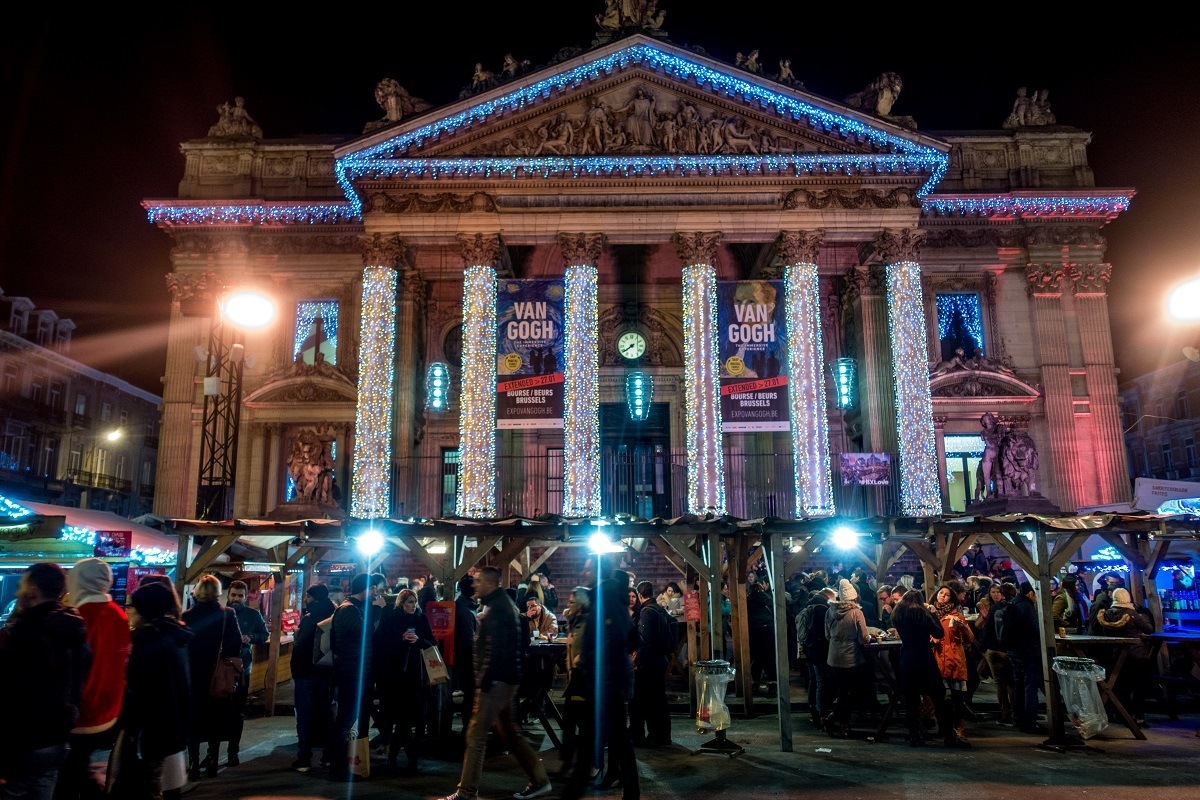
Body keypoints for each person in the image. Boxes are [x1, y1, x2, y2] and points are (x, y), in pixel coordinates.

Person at [439, 566, 551, 800]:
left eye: (478, 580)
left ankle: (467, 791)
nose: (474, 584)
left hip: (497, 681)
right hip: (503, 679)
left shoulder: (499, 608)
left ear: (490, 583)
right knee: (510, 735)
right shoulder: (497, 605)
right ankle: (540, 781)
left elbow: (496, 651)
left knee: (476, 734)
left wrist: (484, 683)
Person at [0, 563, 90, 800]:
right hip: (58, 736)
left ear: (33, 590)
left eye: (21, 585)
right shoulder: (74, 627)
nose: (17, 592)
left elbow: (15, 693)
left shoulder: (28, 632)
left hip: (25, 740)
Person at [561, 564, 639, 800]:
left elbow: (615, 640)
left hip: (607, 679)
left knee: (594, 740)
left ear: (597, 571)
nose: (583, 572)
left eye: (586, 568)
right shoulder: (609, 597)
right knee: (612, 739)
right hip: (607, 678)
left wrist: (586, 657)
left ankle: (573, 792)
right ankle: (629, 792)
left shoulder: (606, 598)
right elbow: (631, 638)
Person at [55, 558, 129, 800]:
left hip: (83, 713)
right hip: (111, 710)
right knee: (80, 768)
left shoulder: (81, 616)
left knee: (67, 777)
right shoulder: (119, 615)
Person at [118, 582, 193, 800]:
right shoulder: (176, 632)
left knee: (148, 784)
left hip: (152, 723)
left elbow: (140, 683)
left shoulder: (148, 637)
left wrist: (132, 726)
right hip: (173, 720)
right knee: (154, 780)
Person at [181, 574, 243, 779]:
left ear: (197, 591)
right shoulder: (228, 614)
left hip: (193, 675)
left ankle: (193, 765)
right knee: (215, 720)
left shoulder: (187, 616)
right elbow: (235, 644)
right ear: (218, 592)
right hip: (218, 675)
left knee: (194, 721)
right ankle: (213, 762)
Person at [374, 589, 435, 773]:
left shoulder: (421, 619)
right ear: (401, 603)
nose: (413, 605)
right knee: (400, 719)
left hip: (414, 677)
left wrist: (418, 640)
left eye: (415, 602)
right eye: (409, 602)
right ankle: (407, 760)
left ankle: (398, 758)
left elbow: (431, 642)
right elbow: (380, 644)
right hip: (393, 678)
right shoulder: (391, 618)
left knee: (406, 720)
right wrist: (400, 640)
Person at [329, 573, 375, 782]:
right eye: (373, 589)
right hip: (351, 673)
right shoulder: (348, 610)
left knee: (349, 719)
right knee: (346, 719)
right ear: (364, 589)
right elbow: (366, 631)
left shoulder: (354, 608)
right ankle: (337, 767)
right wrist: (378, 610)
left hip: (356, 671)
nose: (375, 593)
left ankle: (343, 764)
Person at [1089, 588, 1154, 725]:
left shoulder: (1106, 614)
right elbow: (1149, 629)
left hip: (1116, 655)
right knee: (1139, 686)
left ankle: (1124, 715)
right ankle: (1139, 717)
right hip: (1136, 654)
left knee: (1121, 686)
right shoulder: (1131, 613)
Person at [290, 584, 335, 772]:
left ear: (313, 598)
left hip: (306, 674)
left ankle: (304, 757)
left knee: (305, 715)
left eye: (307, 596)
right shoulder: (334, 616)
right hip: (327, 672)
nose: (305, 600)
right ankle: (328, 756)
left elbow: (301, 647)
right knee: (326, 714)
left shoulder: (309, 620)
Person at [224, 580, 267, 766]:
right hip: (220, 671)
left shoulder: (253, 614)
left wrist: (251, 637)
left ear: (245, 596)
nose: (236, 599)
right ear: (228, 595)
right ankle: (213, 751)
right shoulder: (221, 614)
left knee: (237, 712)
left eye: (240, 596)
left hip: (243, 670)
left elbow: (264, 635)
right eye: (233, 595)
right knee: (219, 712)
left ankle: (233, 751)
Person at [824, 578, 870, 738]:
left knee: (842, 690)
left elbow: (827, 635)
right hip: (851, 657)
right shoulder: (857, 612)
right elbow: (864, 637)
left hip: (833, 656)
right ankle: (841, 722)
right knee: (853, 692)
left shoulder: (829, 611)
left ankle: (837, 720)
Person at [931, 584, 976, 740]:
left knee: (956, 698)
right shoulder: (931, 614)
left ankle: (959, 727)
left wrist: (962, 626)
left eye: (947, 594)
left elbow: (970, 638)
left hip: (954, 659)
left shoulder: (956, 615)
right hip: (936, 659)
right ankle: (943, 727)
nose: (943, 596)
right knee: (939, 697)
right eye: (941, 593)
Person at [630, 582, 672, 747]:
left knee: (653, 701)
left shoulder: (647, 612)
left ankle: (657, 736)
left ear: (640, 596)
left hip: (651, 663)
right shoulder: (659, 609)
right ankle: (662, 736)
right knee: (659, 700)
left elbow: (645, 641)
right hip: (660, 660)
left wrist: (637, 660)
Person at [559, 586, 591, 776]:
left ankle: (579, 764)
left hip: (583, 678)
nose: (568, 605)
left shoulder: (586, 624)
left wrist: (581, 659)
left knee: (576, 721)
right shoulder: (575, 622)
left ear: (580, 604)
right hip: (575, 677)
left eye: (571, 602)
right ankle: (570, 762)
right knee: (571, 720)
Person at [1005, 581, 1045, 734]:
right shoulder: (1026, 607)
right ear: (1030, 593)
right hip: (1027, 651)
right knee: (1030, 687)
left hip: (1014, 650)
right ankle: (1030, 721)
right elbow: (1034, 630)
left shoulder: (1013, 604)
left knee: (1018, 686)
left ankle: (1019, 718)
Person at [980, 582, 1016, 725]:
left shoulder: (995, 608)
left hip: (995, 649)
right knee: (1011, 682)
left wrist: (984, 647)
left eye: (998, 592)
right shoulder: (1015, 608)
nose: (995, 594)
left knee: (1000, 683)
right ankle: (1016, 713)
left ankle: (1006, 714)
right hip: (1010, 649)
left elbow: (987, 628)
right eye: (993, 592)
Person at [799, 587, 835, 726]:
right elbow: (825, 634)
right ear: (829, 597)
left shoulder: (809, 606)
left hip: (810, 650)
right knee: (822, 682)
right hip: (820, 651)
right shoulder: (822, 610)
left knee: (814, 681)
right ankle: (822, 713)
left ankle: (813, 710)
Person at [453, 573, 479, 732]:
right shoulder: (467, 611)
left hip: (465, 658)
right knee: (470, 694)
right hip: (467, 659)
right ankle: (468, 728)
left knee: (470, 695)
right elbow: (468, 640)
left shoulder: (466, 606)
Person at [747, 581, 776, 692]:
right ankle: (772, 684)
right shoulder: (765, 597)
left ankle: (755, 683)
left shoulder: (748, 599)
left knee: (756, 657)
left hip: (754, 629)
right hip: (768, 629)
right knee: (770, 657)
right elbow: (773, 605)